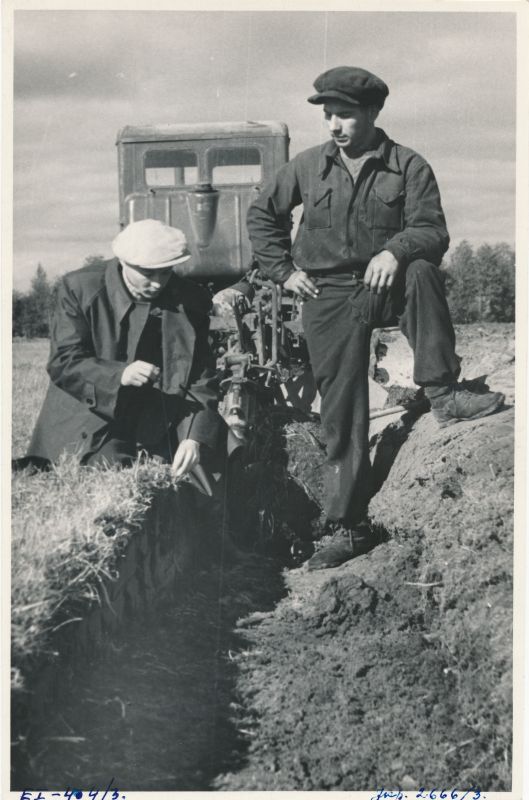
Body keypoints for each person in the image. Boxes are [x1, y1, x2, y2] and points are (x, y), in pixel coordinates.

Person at [245, 65, 505, 571]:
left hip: (385, 282)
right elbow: (263, 215)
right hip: (327, 291)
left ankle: (444, 393)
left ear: (372, 112)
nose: (335, 125)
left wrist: (395, 251)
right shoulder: (305, 166)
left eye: (345, 114)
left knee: (422, 270)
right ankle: (347, 525)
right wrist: (282, 271)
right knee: (340, 406)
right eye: (328, 115)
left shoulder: (407, 166)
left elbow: (432, 229)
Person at [27, 218, 219, 481]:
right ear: (124, 263)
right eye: (148, 274)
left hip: (161, 414)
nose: (158, 283)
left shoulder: (188, 298)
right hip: (93, 414)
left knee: (213, 468)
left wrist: (193, 437)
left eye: (166, 272)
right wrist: (119, 375)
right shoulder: (79, 288)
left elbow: (201, 376)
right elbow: (63, 361)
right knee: (112, 471)